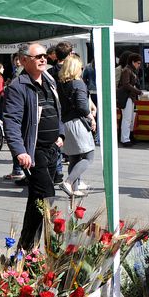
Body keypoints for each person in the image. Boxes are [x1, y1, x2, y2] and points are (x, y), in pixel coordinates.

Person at [4, 43, 64, 249]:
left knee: (36, 198)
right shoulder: (18, 86)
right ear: (23, 61)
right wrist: (20, 151)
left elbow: (57, 109)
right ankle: (37, 245)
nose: (43, 59)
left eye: (45, 55)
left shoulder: (49, 80)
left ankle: (26, 246)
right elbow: (11, 121)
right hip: (33, 150)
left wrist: (61, 133)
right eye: (37, 56)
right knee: (46, 194)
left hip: (52, 149)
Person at [57, 54, 95, 198]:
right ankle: (68, 182)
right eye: (80, 66)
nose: (82, 68)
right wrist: (91, 117)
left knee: (74, 157)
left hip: (66, 123)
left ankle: (74, 188)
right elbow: (81, 105)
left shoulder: (61, 83)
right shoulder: (78, 83)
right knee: (88, 157)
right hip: (77, 123)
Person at [116, 52, 142, 146]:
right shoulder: (127, 70)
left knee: (129, 118)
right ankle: (125, 139)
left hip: (129, 97)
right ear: (133, 62)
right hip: (126, 97)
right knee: (127, 119)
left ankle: (127, 138)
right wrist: (138, 91)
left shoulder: (130, 70)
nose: (139, 65)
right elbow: (126, 84)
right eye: (138, 63)